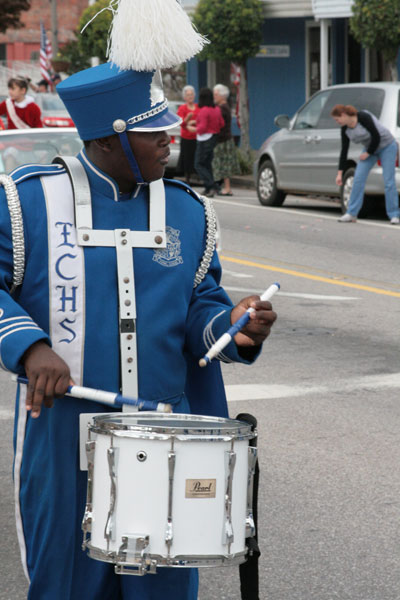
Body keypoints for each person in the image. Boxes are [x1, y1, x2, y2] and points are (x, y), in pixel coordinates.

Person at [0, 4, 277, 598]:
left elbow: (200, 301)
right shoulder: (26, 202)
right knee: (64, 586)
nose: (169, 138)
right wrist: (29, 347)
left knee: (166, 592)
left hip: (166, 438)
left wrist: (231, 324)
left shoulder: (187, 209)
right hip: (61, 439)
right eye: (154, 130)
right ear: (109, 139)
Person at [331, 104, 400, 224]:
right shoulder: (345, 129)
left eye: (337, 119)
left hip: (387, 146)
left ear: (343, 115)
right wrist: (339, 173)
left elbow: (376, 136)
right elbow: (344, 151)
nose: (337, 122)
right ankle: (351, 213)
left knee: (389, 181)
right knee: (358, 178)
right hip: (370, 149)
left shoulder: (363, 117)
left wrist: (368, 153)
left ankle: (394, 215)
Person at [193, 87, 224, 198]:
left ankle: (212, 185)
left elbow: (202, 128)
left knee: (198, 164)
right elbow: (221, 123)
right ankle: (208, 187)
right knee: (207, 163)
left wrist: (193, 128)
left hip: (204, 138)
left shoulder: (204, 110)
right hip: (213, 137)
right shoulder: (216, 109)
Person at [212, 83, 241, 196]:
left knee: (223, 164)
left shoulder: (221, 109)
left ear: (222, 96)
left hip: (222, 140)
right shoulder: (226, 107)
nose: (214, 97)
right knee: (224, 164)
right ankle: (224, 187)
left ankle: (227, 187)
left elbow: (218, 125)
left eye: (216, 94)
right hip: (226, 138)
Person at [177, 85, 199, 186]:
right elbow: (181, 123)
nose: (190, 97)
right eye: (188, 95)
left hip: (197, 137)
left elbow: (201, 120)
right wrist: (187, 119)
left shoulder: (198, 107)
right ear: (184, 97)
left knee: (196, 157)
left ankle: (198, 176)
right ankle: (188, 179)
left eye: (191, 94)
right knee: (186, 158)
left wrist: (193, 121)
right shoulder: (182, 108)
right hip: (186, 137)